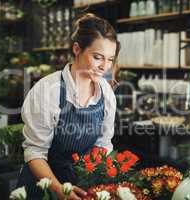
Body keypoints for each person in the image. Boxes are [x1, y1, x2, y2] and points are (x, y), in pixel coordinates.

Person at [17, 13, 120, 200]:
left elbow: (102, 145)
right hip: (42, 186)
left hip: (81, 185)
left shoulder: (106, 93)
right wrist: (61, 192)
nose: (104, 66)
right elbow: (35, 152)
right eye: (98, 57)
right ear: (77, 49)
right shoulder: (48, 90)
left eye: (110, 59)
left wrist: (96, 180)